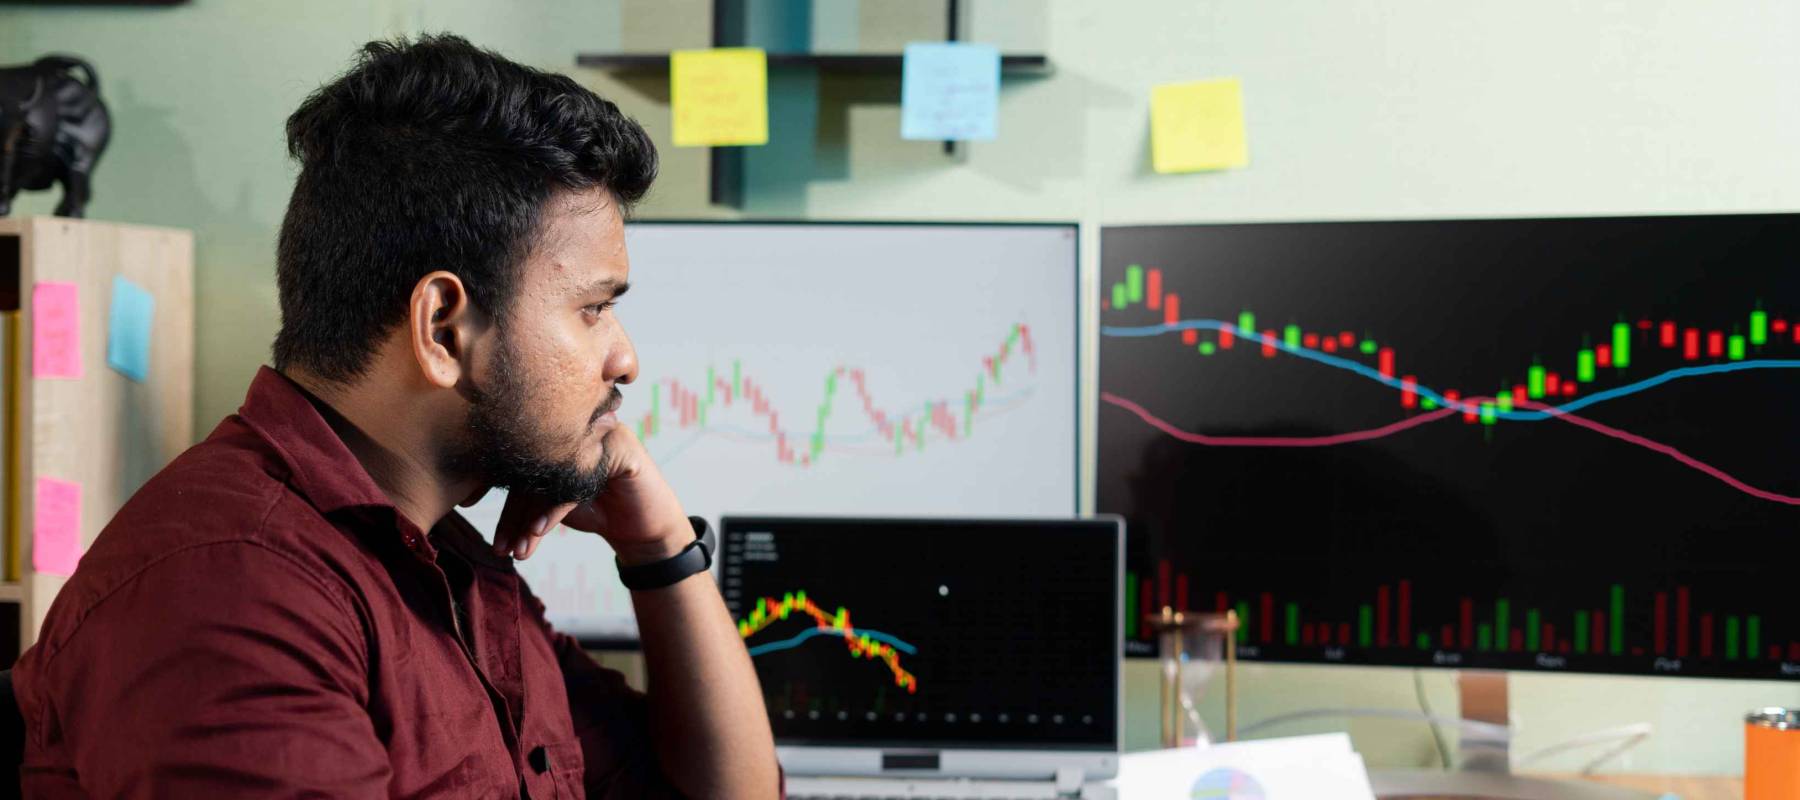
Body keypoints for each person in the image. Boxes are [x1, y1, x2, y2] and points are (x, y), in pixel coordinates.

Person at [12, 35, 781, 799]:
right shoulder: (234, 594)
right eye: (592, 310)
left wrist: (661, 550)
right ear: (444, 329)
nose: (625, 360)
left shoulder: (441, 561)